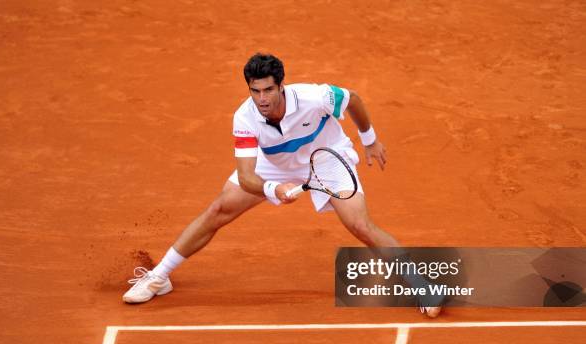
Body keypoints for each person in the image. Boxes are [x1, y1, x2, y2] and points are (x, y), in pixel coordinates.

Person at [122, 53, 441, 318]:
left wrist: (369, 139)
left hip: (326, 157)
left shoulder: (316, 97)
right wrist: (273, 189)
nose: (262, 98)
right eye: (254, 91)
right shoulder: (244, 118)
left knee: (360, 225)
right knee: (218, 209)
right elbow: (247, 177)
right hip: (272, 164)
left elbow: (353, 99)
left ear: (281, 86)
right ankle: (158, 277)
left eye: (268, 90)